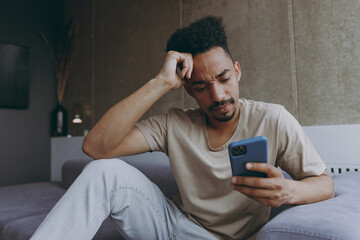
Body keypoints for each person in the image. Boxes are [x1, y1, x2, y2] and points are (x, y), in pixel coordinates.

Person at [31, 16, 334, 240]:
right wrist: (160, 82)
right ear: (188, 89)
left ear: (238, 72)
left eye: (224, 78)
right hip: (172, 226)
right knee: (103, 171)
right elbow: (96, 148)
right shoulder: (174, 123)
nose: (217, 96)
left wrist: (288, 191)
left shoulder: (274, 119)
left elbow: (325, 183)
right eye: (201, 86)